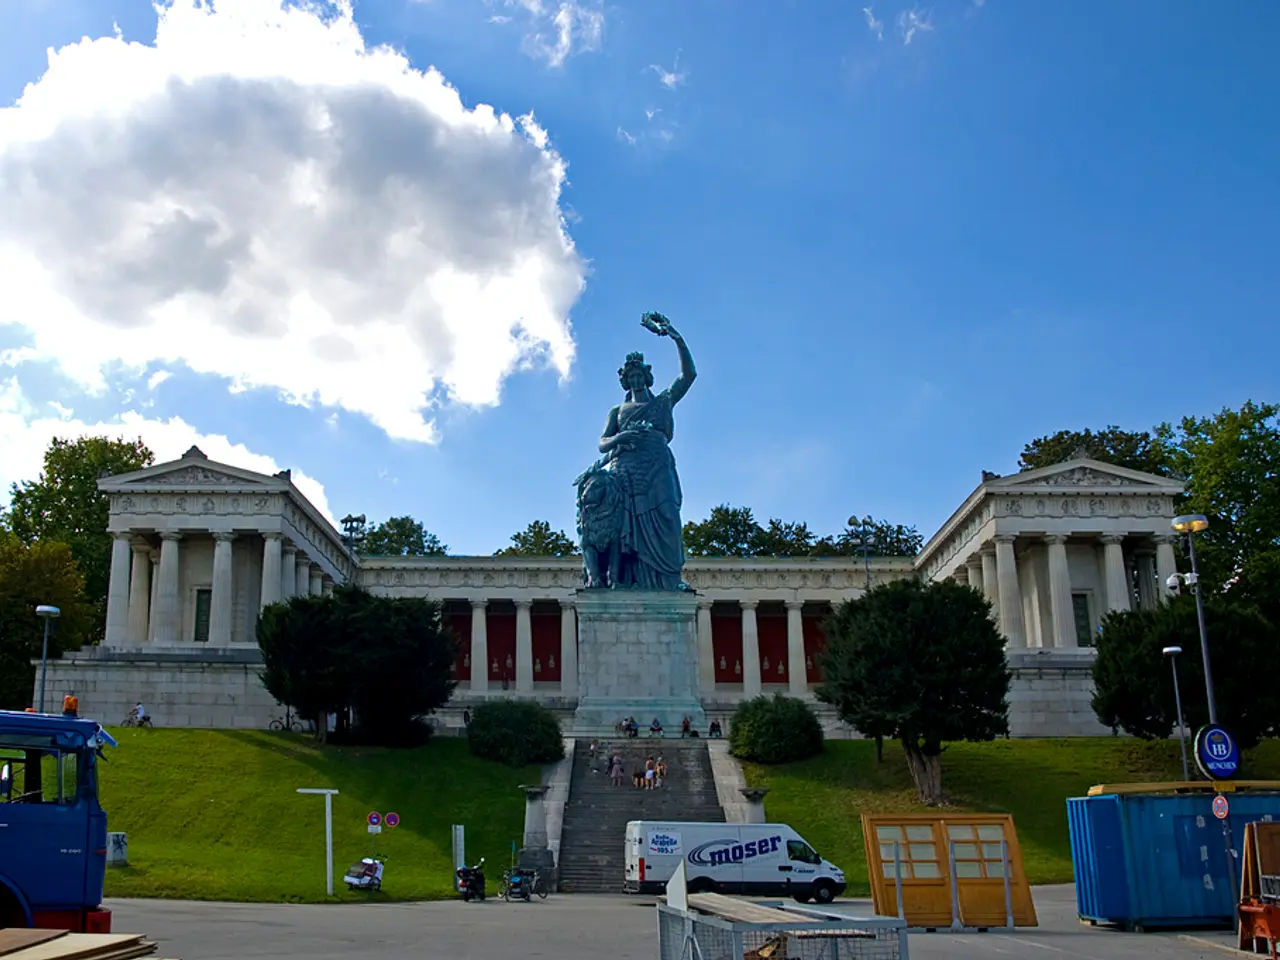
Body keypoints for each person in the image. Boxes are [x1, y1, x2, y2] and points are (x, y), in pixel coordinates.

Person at [593, 314, 697, 591]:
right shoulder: (617, 411)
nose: (636, 380)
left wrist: (676, 337)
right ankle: (628, 580)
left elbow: (689, 376)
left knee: (668, 518)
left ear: (647, 377)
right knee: (628, 529)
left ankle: (671, 579)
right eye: (631, 377)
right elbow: (603, 443)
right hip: (626, 472)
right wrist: (622, 436)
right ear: (626, 382)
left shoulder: (663, 400)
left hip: (658, 467)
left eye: (640, 375)